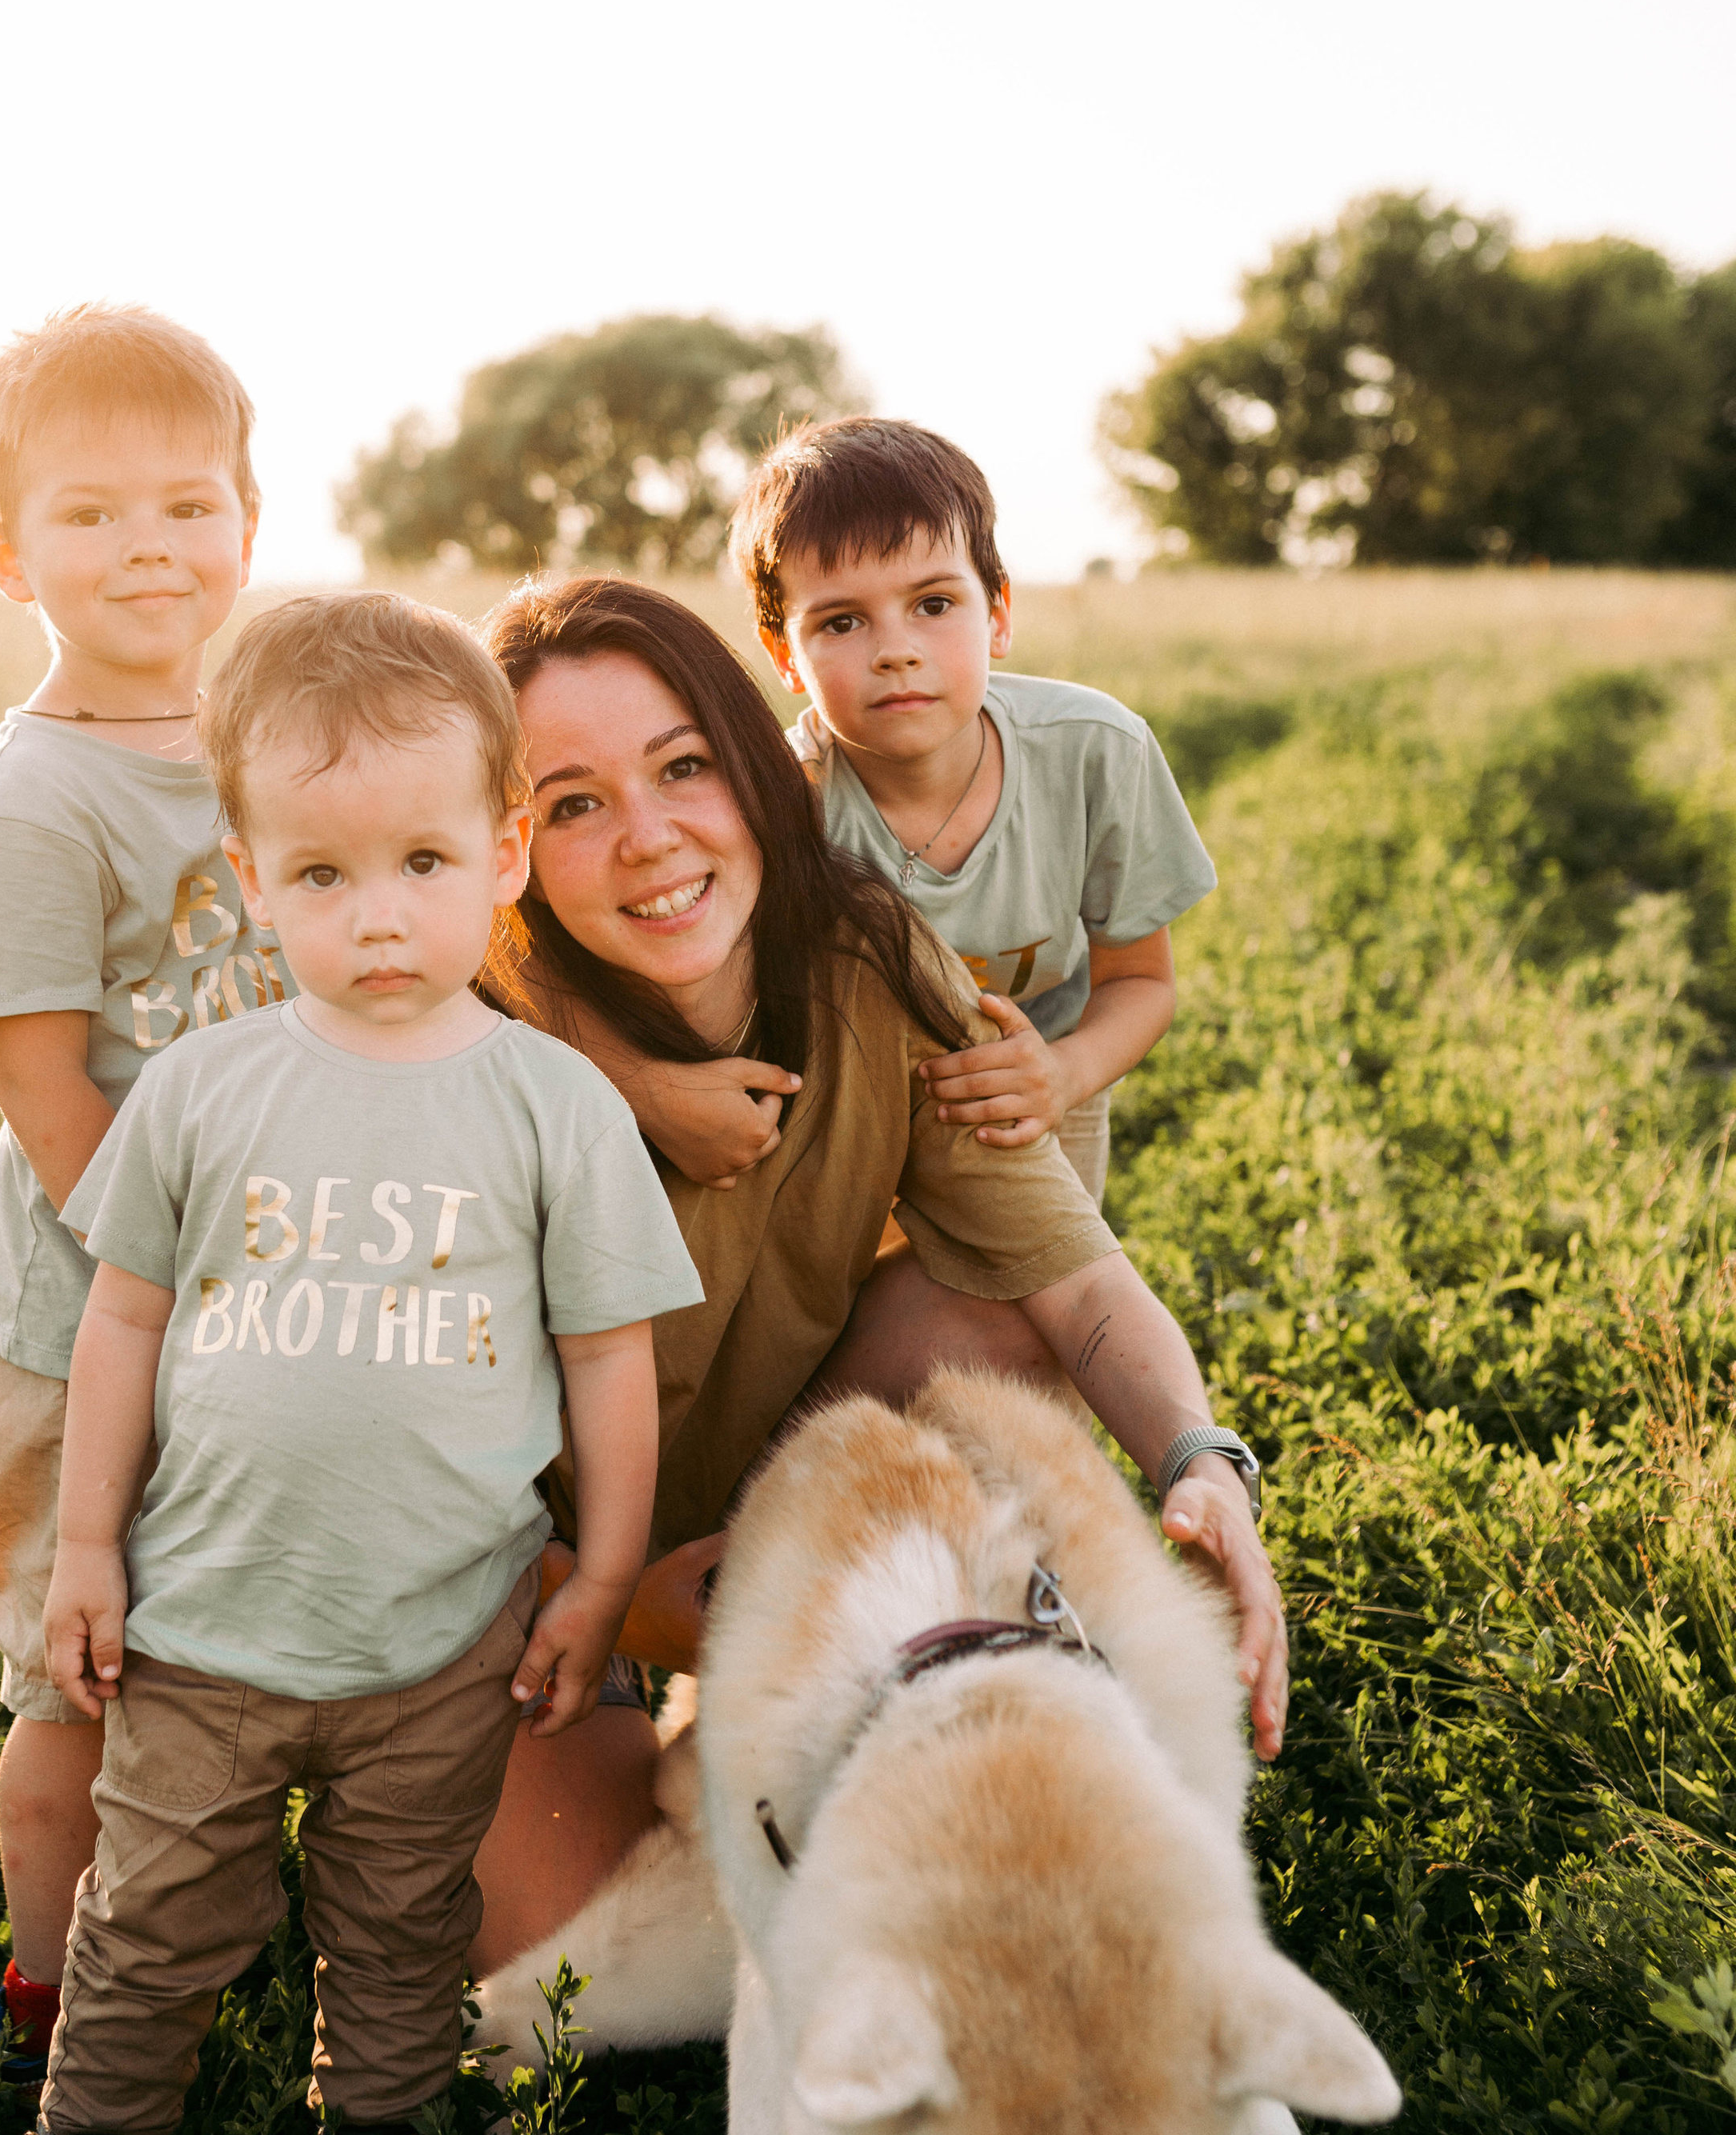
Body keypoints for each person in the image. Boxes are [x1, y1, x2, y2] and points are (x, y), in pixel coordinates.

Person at [0, 593, 701, 2135]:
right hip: (206, 1624)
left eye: (424, 862)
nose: (378, 915)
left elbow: (609, 1359)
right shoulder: (203, 1092)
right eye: (322, 874)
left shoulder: (550, 1104)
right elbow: (122, 1328)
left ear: (505, 851)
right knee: (150, 1920)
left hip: (439, 1639)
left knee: (399, 1919)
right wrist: (87, 1548)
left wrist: (599, 1579)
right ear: (249, 875)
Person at [469, 575, 1286, 1977]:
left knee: (999, 1311)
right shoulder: (456, 1042)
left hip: (768, 1500)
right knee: (566, 1975)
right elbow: (383, 1470)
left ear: (756, 767)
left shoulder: (871, 955)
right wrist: (602, 1598)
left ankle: (852, 1660)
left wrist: (1200, 1460)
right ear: (506, 849)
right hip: (523, 1579)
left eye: (683, 768)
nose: (650, 837)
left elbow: (1077, 1285)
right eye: (574, 804)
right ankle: (727, 1709)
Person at [0, 302, 288, 2085]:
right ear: (10, 555)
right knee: (84, 1672)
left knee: (231, 1631)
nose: (150, 545)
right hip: (87, 1320)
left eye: (187, 503)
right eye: (91, 513)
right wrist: (178, 1288)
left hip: (266, 1296)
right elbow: (48, 1092)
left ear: (248, 524)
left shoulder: (266, 741)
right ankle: (50, 1999)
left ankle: (224, 1935)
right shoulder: (38, 794)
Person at [725, 413, 1215, 1206]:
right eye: (842, 621)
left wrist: (1063, 1075)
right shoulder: (783, 799)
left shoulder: (1093, 752)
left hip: (1041, 1066)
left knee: (1047, 1268)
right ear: (784, 652)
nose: (896, 650)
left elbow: (1140, 980)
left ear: (998, 613)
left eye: (933, 603)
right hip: (848, 1092)